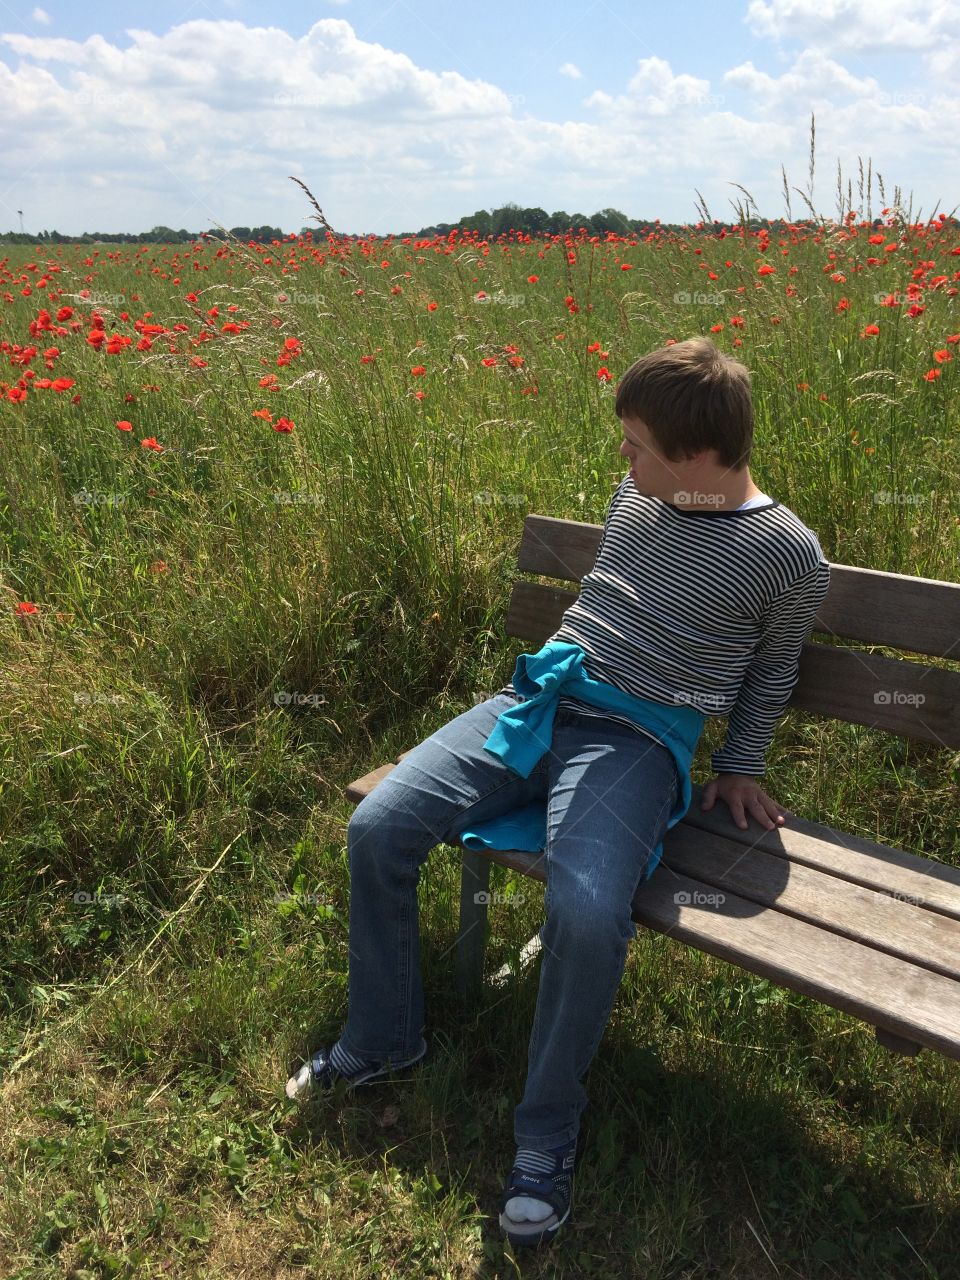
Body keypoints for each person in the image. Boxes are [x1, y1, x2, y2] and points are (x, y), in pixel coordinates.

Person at [285, 336, 831, 1249]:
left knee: (583, 909)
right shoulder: (641, 493)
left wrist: (739, 765)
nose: (622, 458)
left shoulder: (785, 551)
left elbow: (773, 670)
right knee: (379, 826)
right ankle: (385, 1037)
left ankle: (545, 1134)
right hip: (542, 698)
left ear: (697, 454)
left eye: (636, 443)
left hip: (638, 742)